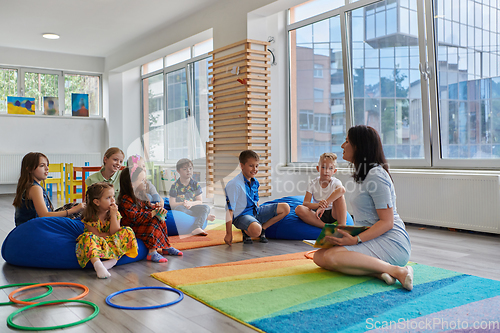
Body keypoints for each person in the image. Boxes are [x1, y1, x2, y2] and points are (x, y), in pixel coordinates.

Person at [313, 125, 414, 291]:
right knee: (319, 257)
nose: (342, 146)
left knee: (331, 257)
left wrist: (356, 240)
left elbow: (387, 222)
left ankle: (398, 271)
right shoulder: (365, 175)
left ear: (359, 146)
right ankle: (378, 271)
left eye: (347, 141)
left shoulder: (376, 175)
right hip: (371, 236)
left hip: (392, 241)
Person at [224, 150, 290, 245]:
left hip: (255, 212)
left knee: (285, 208)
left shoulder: (255, 182)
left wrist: (260, 215)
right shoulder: (234, 184)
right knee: (256, 230)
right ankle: (247, 231)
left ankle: (263, 228)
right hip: (241, 216)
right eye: (251, 166)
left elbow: (256, 201)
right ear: (242, 166)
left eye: (256, 166)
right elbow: (229, 211)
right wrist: (228, 234)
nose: (255, 169)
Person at [118, 165, 182, 263]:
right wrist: (153, 213)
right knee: (153, 221)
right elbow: (135, 218)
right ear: (132, 184)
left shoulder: (142, 195)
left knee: (160, 218)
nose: (145, 182)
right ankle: (151, 252)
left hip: (141, 223)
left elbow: (147, 208)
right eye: (142, 180)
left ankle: (165, 247)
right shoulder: (126, 199)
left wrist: (156, 209)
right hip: (131, 227)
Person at [75, 183, 138, 279]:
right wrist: (108, 235)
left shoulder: (115, 213)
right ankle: (97, 264)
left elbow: (115, 232)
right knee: (87, 237)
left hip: (112, 241)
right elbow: (95, 235)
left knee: (127, 231)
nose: (113, 200)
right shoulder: (90, 216)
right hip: (99, 243)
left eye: (113, 196)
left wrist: (113, 215)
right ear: (97, 202)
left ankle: (113, 260)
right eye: (108, 197)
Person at [13, 152, 85, 226]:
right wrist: (73, 210)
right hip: (33, 228)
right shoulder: (35, 188)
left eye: (47, 165)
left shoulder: (31, 185)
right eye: (42, 166)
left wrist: (72, 209)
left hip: (33, 224)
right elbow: (44, 215)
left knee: (74, 206)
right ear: (29, 169)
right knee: (78, 214)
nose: (47, 168)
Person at [295, 152, 347, 228]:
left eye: (330, 168)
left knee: (340, 195)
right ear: (318, 168)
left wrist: (324, 205)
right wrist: (318, 205)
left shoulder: (336, 182)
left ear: (334, 171)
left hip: (333, 213)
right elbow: (306, 203)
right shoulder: (312, 183)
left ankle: (342, 228)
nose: (327, 171)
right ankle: (325, 227)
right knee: (299, 209)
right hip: (318, 215)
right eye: (323, 167)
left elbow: (342, 190)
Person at [169, 158, 215, 236]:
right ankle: (204, 217)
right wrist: (182, 203)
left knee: (206, 207)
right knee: (179, 209)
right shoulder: (174, 186)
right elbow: (172, 204)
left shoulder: (195, 184)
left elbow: (199, 201)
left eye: (190, 168)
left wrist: (191, 203)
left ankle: (197, 227)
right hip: (181, 208)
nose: (188, 171)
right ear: (178, 171)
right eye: (185, 169)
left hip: (193, 207)